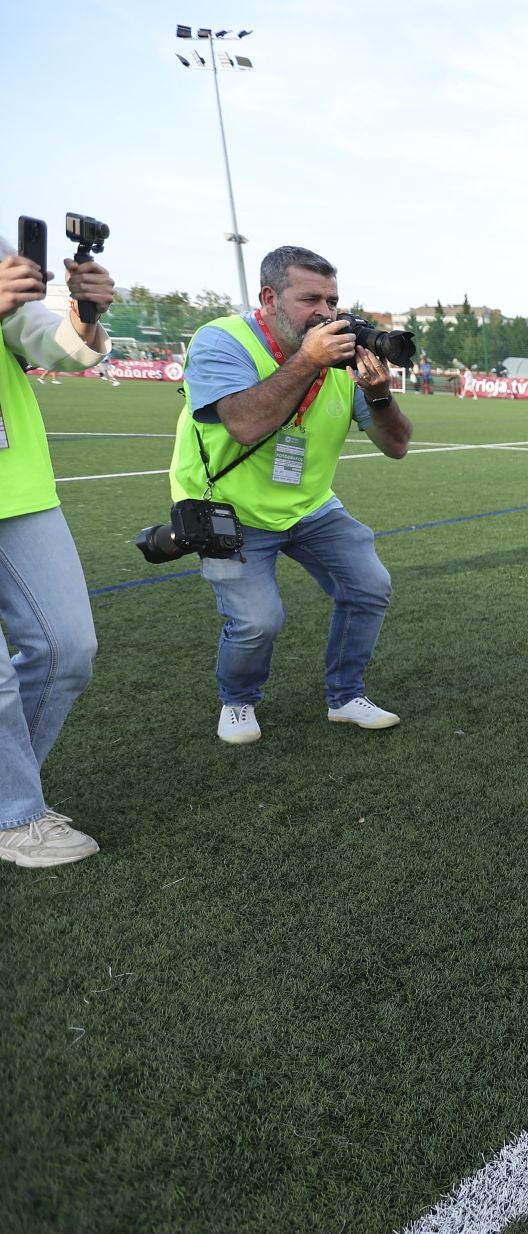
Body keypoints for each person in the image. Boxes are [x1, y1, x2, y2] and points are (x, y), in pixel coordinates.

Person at [169, 246, 413, 745]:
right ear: (269, 298)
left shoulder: (341, 360)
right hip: (228, 511)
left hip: (308, 505)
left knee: (369, 585)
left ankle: (345, 697)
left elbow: (397, 446)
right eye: (310, 299)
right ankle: (238, 701)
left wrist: (379, 394)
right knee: (259, 620)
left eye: (333, 299)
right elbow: (245, 424)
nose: (326, 312)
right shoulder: (222, 340)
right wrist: (308, 361)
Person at [0, 233, 112, 867]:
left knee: (69, 649)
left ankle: (9, 799)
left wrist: (84, 315)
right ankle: (15, 814)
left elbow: (52, 345)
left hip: (18, 487)